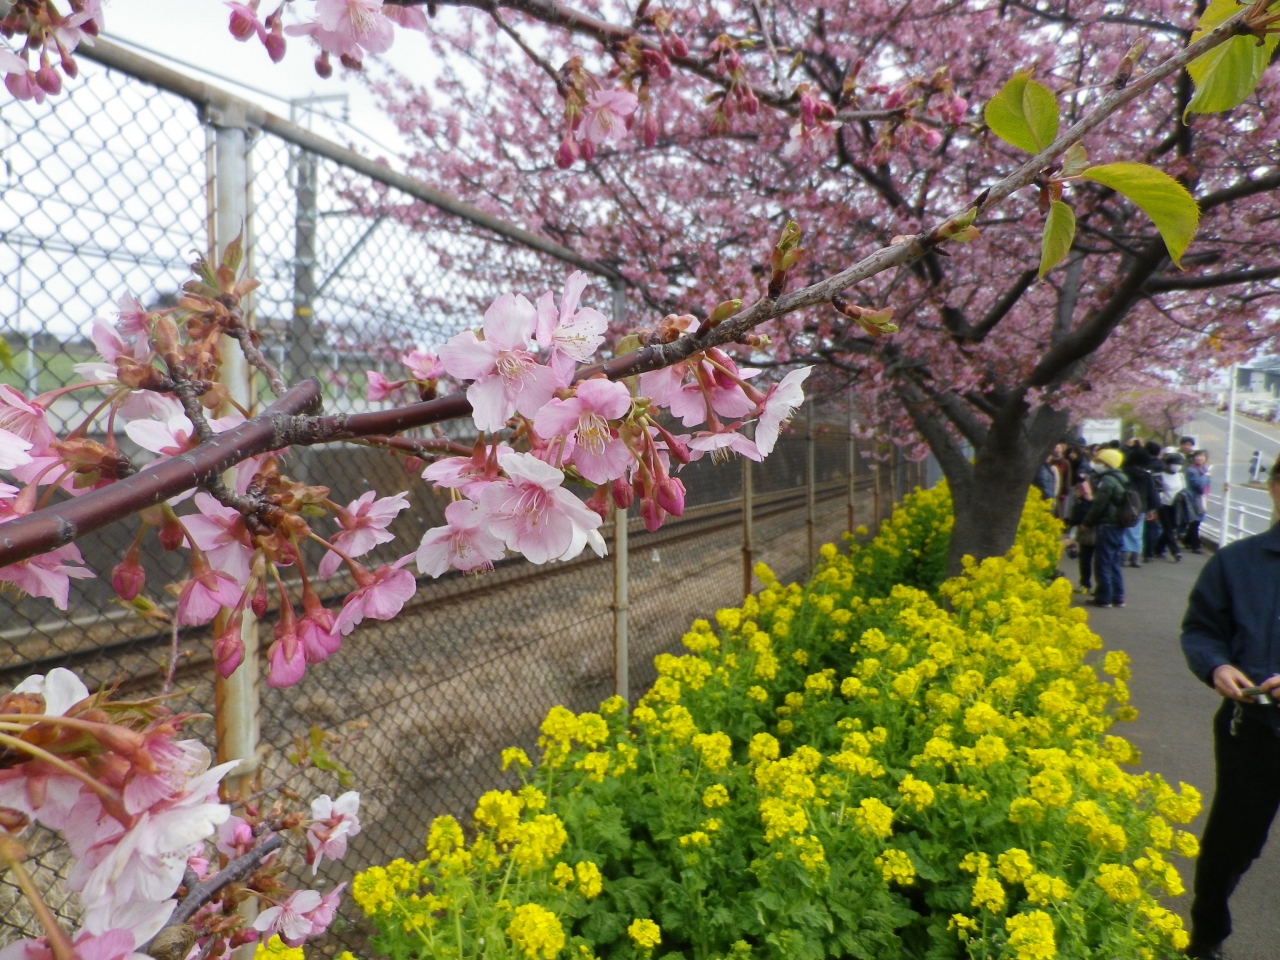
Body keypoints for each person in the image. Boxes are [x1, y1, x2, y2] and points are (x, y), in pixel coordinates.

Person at [1179, 454, 1280, 960]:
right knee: (1231, 844)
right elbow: (1201, 629)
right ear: (1275, 488)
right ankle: (1206, 936)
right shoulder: (1236, 562)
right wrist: (1216, 666)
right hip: (1253, 727)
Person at [1080, 448, 1129, 608]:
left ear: (1107, 464)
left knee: (1103, 562)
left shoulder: (1107, 481)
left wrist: (1087, 522)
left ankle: (1104, 597)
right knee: (1114, 561)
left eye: (1099, 461)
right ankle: (1118, 596)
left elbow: (1098, 505)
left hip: (1107, 525)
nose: (1096, 464)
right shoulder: (1121, 479)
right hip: (1118, 525)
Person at [1122, 446, 1159, 569]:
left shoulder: (1124, 472)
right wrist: (1152, 509)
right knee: (1138, 532)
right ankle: (1135, 557)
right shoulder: (1146, 475)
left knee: (1124, 531)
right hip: (1140, 506)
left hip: (1124, 504)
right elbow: (1152, 493)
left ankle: (1123, 556)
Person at [1154, 452, 1187, 561]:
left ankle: (1158, 548)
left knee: (1171, 528)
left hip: (1176, 505)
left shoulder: (1180, 476)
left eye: (1179, 463)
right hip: (1164, 505)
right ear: (1168, 464)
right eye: (1174, 463)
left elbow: (1184, 489)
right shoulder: (1161, 476)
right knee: (1168, 529)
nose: (1177, 466)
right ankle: (1176, 552)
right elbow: (1158, 492)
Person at [1184, 450, 1212, 554]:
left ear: (1205, 458)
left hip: (1202, 498)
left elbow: (1206, 485)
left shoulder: (1204, 469)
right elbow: (1198, 485)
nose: (1198, 458)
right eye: (1197, 456)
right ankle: (1195, 545)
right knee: (1195, 522)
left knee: (1195, 522)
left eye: (1201, 456)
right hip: (1193, 499)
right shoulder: (1191, 470)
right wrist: (1206, 476)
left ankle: (1186, 540)